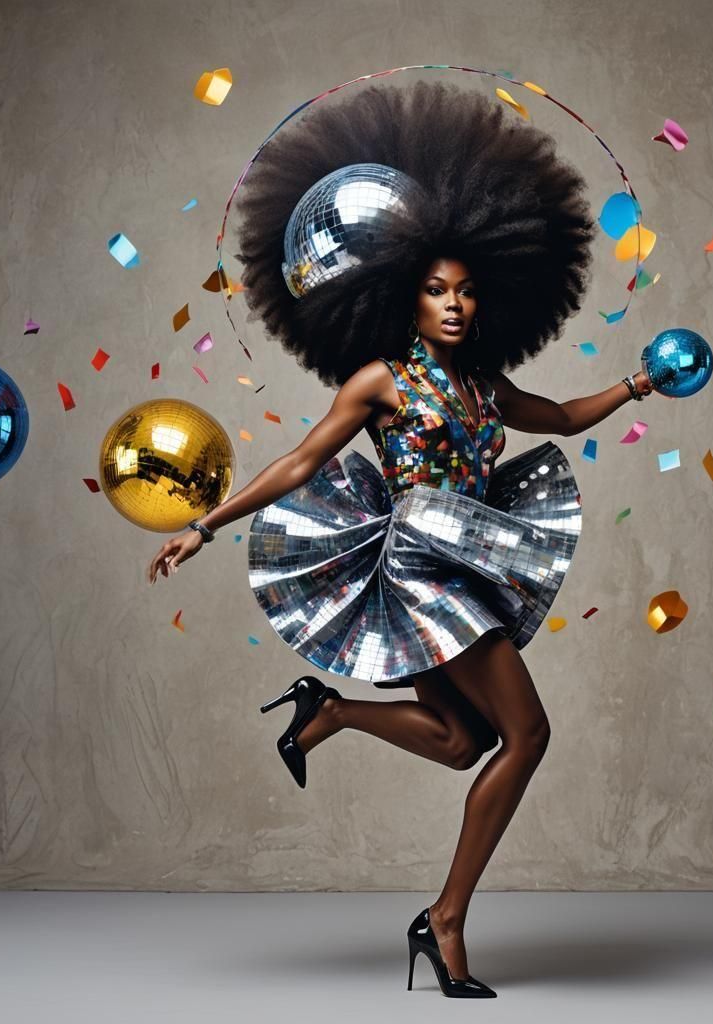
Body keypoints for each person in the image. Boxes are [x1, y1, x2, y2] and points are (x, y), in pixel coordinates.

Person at [146, 81, 654, 998]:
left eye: (464, 292)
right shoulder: (381, 381)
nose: (453, 306)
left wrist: (635, 387)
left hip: (469, 559)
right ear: (403, 298)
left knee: (462, 741)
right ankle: (448, 919)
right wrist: (204, 524)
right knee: (528, 733)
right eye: (434, 291)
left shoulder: (487, 387)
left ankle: (329, 711)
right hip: (419, 568)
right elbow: (303, 461)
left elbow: (565, 415)